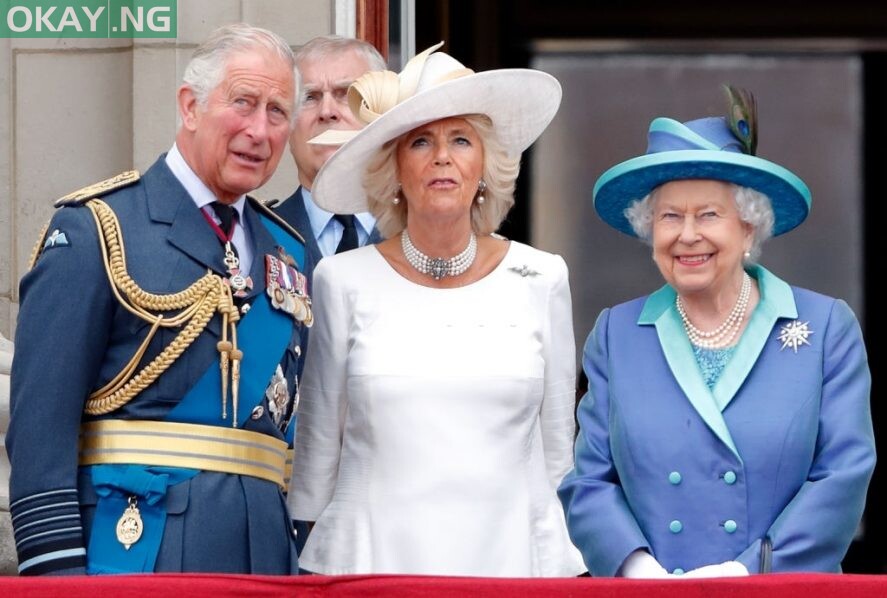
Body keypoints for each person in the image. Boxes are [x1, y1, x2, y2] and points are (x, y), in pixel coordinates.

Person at [6, 23, 310, 576]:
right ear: (189, 106)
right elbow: (38, 430)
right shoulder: (100, 229)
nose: (259, 131)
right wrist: (57, 576)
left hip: (264, 560)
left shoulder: (288, 252)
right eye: (243, 102)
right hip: (137, 554)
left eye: (277, 112)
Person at [286, 43, 585, 576]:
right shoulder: (341, 279)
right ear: (395, 169)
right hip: (370, 567)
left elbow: (558, 457)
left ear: (486, 167)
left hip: (510, 564)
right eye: (421, 141)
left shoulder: (543, 277)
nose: (442, 156)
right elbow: (315, 460)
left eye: (461, 140)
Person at [558, 86, 876, 577]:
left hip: (777, 592)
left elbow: (843, 475)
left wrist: (746, 573)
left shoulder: (825, 328)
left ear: (748, 228)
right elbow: (589, 480)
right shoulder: (616, 335)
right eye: (669, 217)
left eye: (708, 214)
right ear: (650, 231)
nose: (687, 235)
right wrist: (636, 569)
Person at [273, 35, 386, 283]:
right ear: (287, 123)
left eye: (346, 94)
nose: (327, 112)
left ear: (382, 115)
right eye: (309, 97)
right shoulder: (258, 234)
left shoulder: (422, 232)